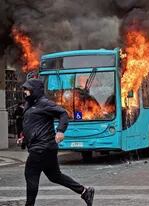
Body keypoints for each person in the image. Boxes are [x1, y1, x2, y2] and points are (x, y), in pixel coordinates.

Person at [21, 78, 95, 206]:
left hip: (41, 147)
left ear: (35, 90)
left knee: (31, 174)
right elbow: (31, 124)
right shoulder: (30, 105)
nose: (25, 91)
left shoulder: (44, 103)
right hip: (45, 147)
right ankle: (84, 192)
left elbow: (63, 114)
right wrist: (24, 137)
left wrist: (60, 131)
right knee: (55, 176)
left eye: (27, 89)